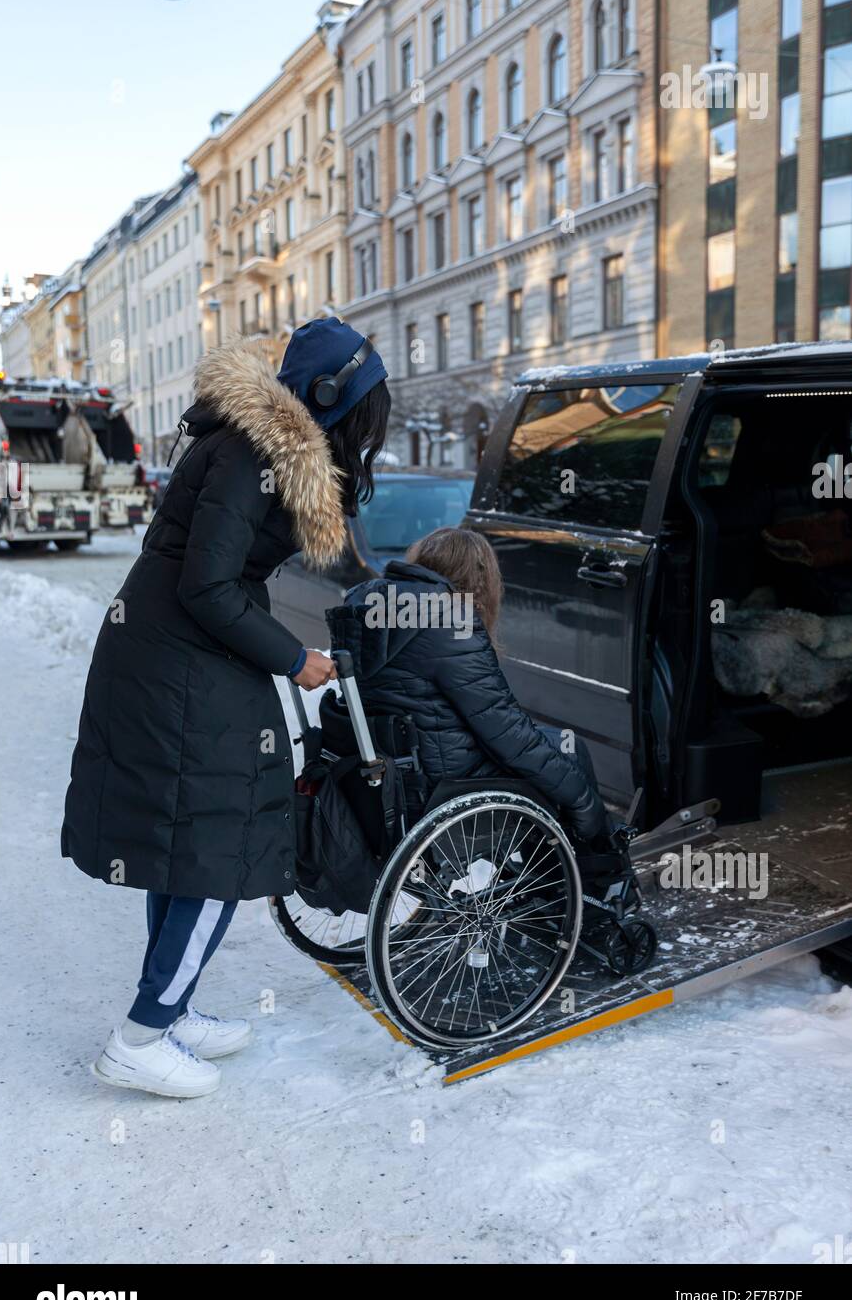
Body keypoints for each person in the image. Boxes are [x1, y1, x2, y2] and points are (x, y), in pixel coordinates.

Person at [62, 319, 389, 1098]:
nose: (377, 419)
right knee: (220, 838)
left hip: (181, 654)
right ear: (331, 396)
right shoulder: (249, 454)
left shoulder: (269, 453)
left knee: (189, 837)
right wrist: (294, 658)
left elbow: (291, 566)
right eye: (371, 401)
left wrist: (401, 584)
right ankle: (142, 1035)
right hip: (175, 660)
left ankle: (168, 1012)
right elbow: (205, 587)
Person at [326, 526, 609, 840]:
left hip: (392, 778)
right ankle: (597, 866)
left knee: (550, 752)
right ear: (479, 579)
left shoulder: (365, 606)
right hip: (442, 788)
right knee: (569, 751)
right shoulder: (452, 622)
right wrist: (586, 805)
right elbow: (509, 735)